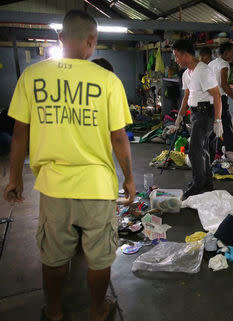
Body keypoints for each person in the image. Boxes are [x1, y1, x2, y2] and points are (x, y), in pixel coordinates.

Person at [3, 10, 135, 321]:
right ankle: (97, 309)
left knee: (54, 256)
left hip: (53, 186)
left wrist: (14, 179)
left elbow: (20, 132)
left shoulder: (32, 76)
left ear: (60, 38)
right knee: (100, 258)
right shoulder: (109, 81)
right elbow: (119, 137)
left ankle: (54, 310)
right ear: (92, 42)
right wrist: (128, 178)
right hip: (98, 187)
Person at [171, 40, 222, 198]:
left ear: (186, 55)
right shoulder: (187, 73)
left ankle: (198, 185)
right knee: (202, 149)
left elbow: (217, 95)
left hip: (206, 113)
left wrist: (218, 121)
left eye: (177, 57)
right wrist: (179, 117)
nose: (176, 60)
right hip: (195, 114)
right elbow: (186, 97)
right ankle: (206, 182)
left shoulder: (203, 71)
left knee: (194, 151)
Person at [208, 42, 233, 160]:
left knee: (213, 128)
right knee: (227, 127)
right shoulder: (224, 65)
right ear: (226, 52)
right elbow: (224, 84)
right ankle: (230, 154)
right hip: (221, 98)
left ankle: (210, 156)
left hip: (209, 98)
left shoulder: (212, 63)